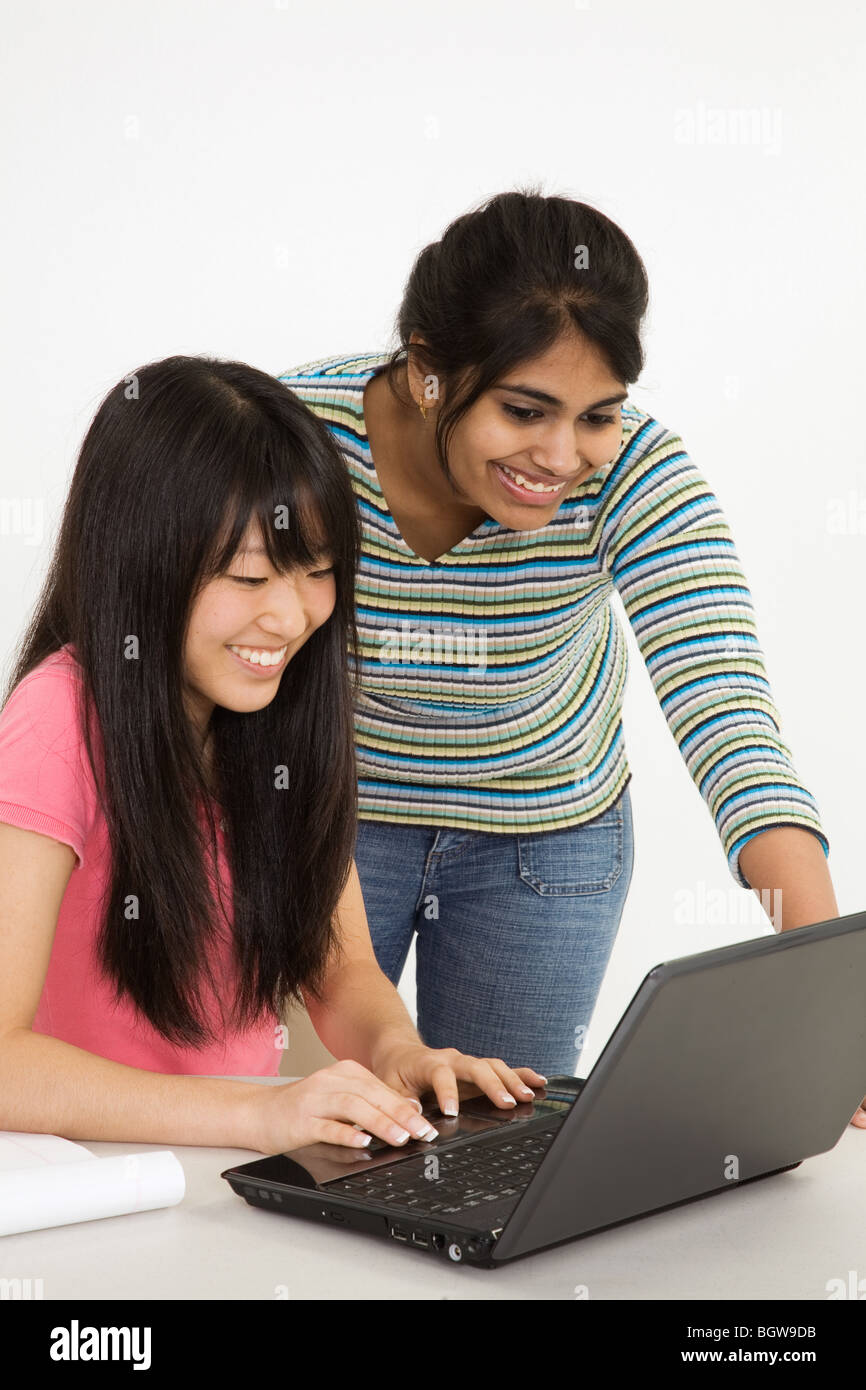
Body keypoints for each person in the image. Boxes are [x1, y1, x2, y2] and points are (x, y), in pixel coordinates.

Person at [278, 185, 866, 1127]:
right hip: (324, 827)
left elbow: (730, 716)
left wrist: (836, 1004)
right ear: (429, 372)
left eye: (597, 414)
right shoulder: (294, 440)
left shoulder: (636, 471)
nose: (562, 455)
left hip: (544, 842)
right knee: (318, 1131)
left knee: (502, 1146)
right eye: (525, 410)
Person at [0, 356, 546, 1155]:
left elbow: (342, 969)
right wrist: (258, 1115)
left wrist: (403, 1053)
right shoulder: (56, 722)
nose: (291, 619)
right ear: (143, 565)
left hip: (230, 1167)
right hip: (100, 1174)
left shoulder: (279, 709)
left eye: (318, 573)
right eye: (250, 577)